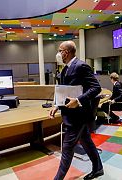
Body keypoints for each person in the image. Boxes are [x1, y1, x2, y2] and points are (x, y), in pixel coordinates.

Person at [49, 41, 104, 180]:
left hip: (78, 116)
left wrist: (78, 100)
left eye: (59, 50)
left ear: (66, 52)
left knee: (67, 148)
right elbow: (63, 91)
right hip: (70, 114)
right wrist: (57, 105)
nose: (58, 53)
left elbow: (96, 88)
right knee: (86, 141)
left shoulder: (81, 66)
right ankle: (98, 168)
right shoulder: (65, 69)